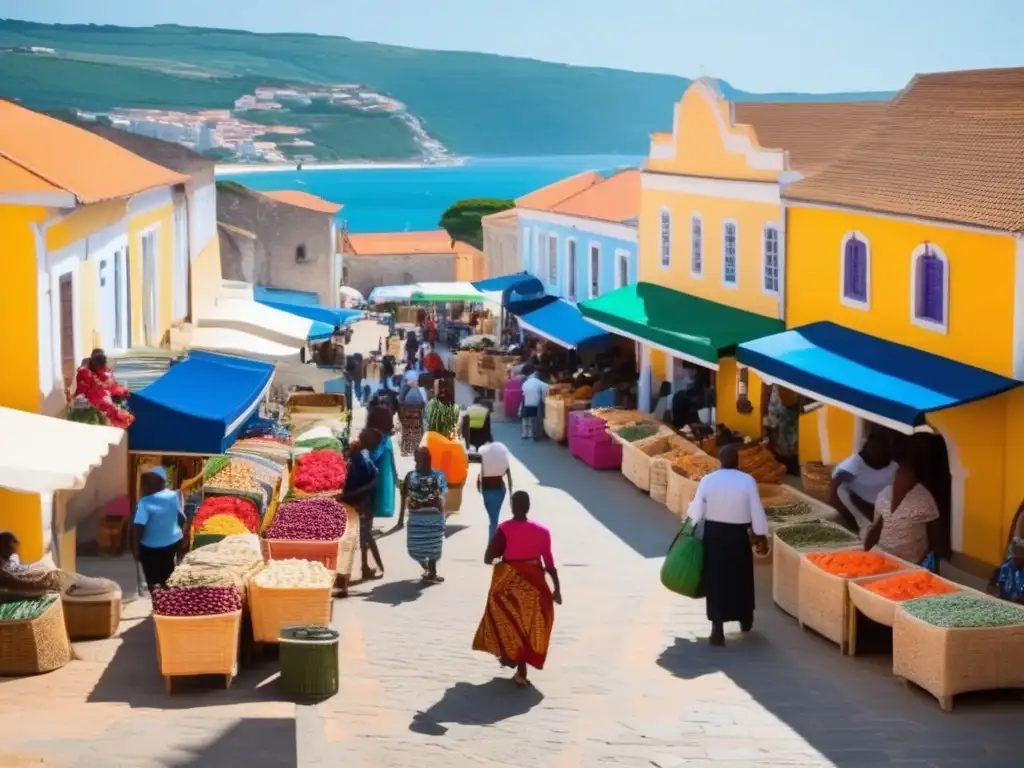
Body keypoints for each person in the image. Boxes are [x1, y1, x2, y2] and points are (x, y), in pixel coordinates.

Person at [474, 491, 561, 687]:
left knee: (508, 620)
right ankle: (520, 668)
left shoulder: (504, 529)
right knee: (530, 625)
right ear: (528, 507)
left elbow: (489, 558)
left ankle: (511, 657)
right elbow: (549, 563)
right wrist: (557, 589)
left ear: (512, 506)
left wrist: (502, 558)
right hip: (535, 584)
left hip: (509, 584)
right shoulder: (542, 531)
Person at [687, 444, 769, 646]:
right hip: (738, 536)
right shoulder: (747, 481)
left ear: (720, 460)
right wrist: (761, 534)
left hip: (714, 536)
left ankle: (717, 629)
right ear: (737, 460)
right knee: (740, 578)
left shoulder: (708, 480)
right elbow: (756, 510)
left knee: (716, 580)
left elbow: (697, 510)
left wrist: (693, 523)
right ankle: (744, 618)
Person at [863, 436, 941, 568]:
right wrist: (866, 551)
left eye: (906, 474)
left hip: (911, 562)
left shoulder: (923, 498)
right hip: (884, 557)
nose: (900, 477)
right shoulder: (884, 495)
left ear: (913, 478)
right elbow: (878, 525)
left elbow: (934, 529)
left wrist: (933, 558)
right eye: (898, 473)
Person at [829, 432, 897, 532]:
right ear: (868, 447)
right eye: (876, 448)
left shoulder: (895, 466)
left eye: (884, 448)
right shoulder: (850, 467)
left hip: (891, 512)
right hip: (865, 514)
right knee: (842, 489)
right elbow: (832, 497)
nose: (881, 452)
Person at [133, 466, 186, 592]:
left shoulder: (145, 502)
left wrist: (136, 548)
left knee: (152, 578)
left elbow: (139, 526)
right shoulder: (173, 496)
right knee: (167, 576)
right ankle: (167, 601)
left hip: (150, 547)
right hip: (171, 543)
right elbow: (182, 518)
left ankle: (158, 602)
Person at [398, 447, 448, 583]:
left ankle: (431, 571)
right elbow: (442, 497)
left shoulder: (414, 476)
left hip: (422, 518)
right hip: (427, 518)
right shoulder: (438, 476)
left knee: (422, 547)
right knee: (425, 547)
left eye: (417, 459)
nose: (415, 461)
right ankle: (429, 570)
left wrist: (400, 519)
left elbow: (404, 496)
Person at [342, 429, 385, 582]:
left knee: (365, 535)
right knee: (365, 535)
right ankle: (373, 566)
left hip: (358, 500)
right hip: (360, 502)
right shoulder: (359, 457)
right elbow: (372, 480)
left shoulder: (361, 455)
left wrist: (351, 493)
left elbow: (373, 480)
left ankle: (369, 566)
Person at [74, 349, 134, 428]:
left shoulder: (96, 372)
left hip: (97, 400)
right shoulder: (85, 373)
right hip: (90, 403)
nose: (105, 367)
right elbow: (81, 394)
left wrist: (122, 390)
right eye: (103, 365)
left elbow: (107, 383)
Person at [476, 439, 513, 540]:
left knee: (493, 520)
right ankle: (494, 543)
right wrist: (511, 495)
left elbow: (480, 473)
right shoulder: (501, 452)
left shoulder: (483, 453)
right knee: (494, 519)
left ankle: (493, 544)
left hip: (488, 490)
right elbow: (508, 474)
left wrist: (479, 484)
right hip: (500, 489)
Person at [398, 374, 429, 457]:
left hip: (408, 411)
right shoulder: (420, 390)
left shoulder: (410, 389)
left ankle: (406, 450)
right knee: (416, 430)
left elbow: (400, 401)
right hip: (416, 411)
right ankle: (413, 449)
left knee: (408, 431)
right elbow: (424, 402)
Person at [990, 536, 1024, 604]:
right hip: (1007, 600)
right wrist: (1012, 597)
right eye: (1016, 558)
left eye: (1020, 559)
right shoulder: (1006, 567)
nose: (1017, 560)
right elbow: (1001, 587)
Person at [520, 365, 549, 440]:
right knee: (535, 419)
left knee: (526, 418)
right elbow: (545, 392)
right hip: (536, 404)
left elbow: (523, 393)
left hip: (526, 403)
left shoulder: (525, 382)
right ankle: (535, 433)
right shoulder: (540, 383)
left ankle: (525, 434)